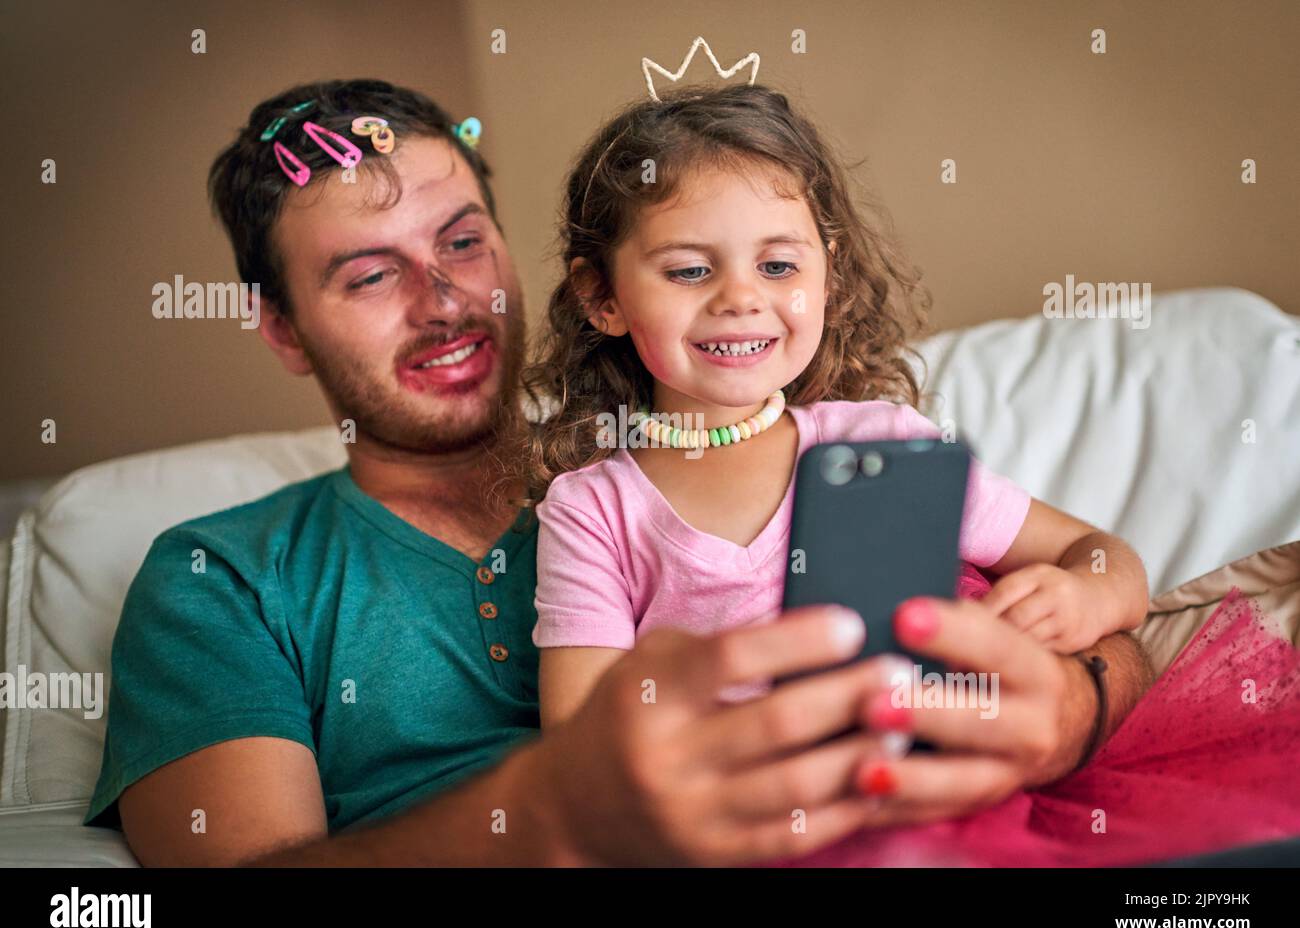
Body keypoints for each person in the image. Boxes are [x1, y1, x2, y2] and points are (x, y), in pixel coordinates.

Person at [84, 78, 1154, 867]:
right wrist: (559, 814)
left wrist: (1070, 703)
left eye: (462, 244)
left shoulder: (771, 450)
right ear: (280, 329)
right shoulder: (221, 578)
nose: (442, 299)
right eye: (370, 274)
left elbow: (1110, 610)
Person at [516, 82, 1300, 866]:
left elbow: (1105, 555)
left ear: (826, 275)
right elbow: (586, 748)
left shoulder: (880, 439)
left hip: (956, 789)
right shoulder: (592, 510)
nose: (741, 298)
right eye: (689, 271)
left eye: (779, 263)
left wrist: (1081, 591)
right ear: (602, 296)